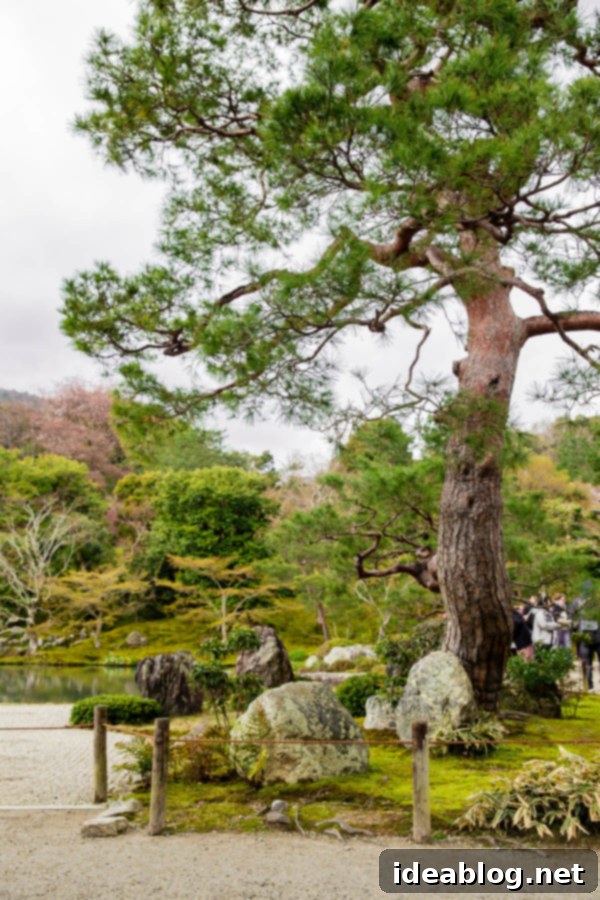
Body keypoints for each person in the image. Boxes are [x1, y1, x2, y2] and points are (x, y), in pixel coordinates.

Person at [572, 598, 600, 689]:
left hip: (586, 642)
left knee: (587, 664)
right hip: (596, 640)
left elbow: (575, 629)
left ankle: (589, 686)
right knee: (588, 664)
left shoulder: (580, 616)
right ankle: (589, 685)